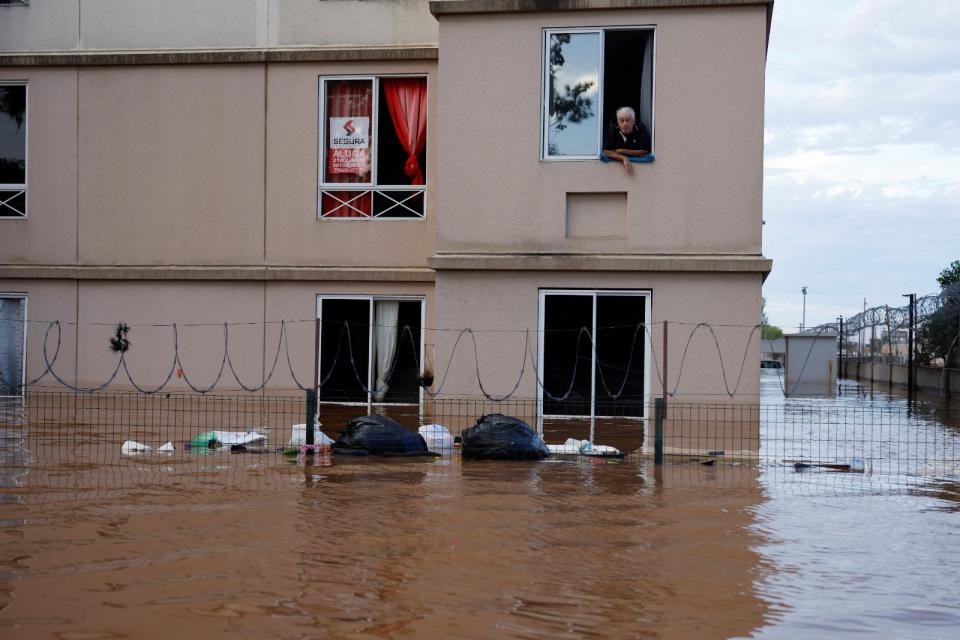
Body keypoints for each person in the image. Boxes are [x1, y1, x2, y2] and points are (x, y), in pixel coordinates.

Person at [602, 106, 650, 175]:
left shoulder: (641, 128)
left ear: (634, 121)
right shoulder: (613, 129)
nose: (624, 124)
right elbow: (606, 151)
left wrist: (620, 151)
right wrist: (623, 157)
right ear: (618, 122)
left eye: (628, 120)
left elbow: (644, 152)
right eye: (622, 121)